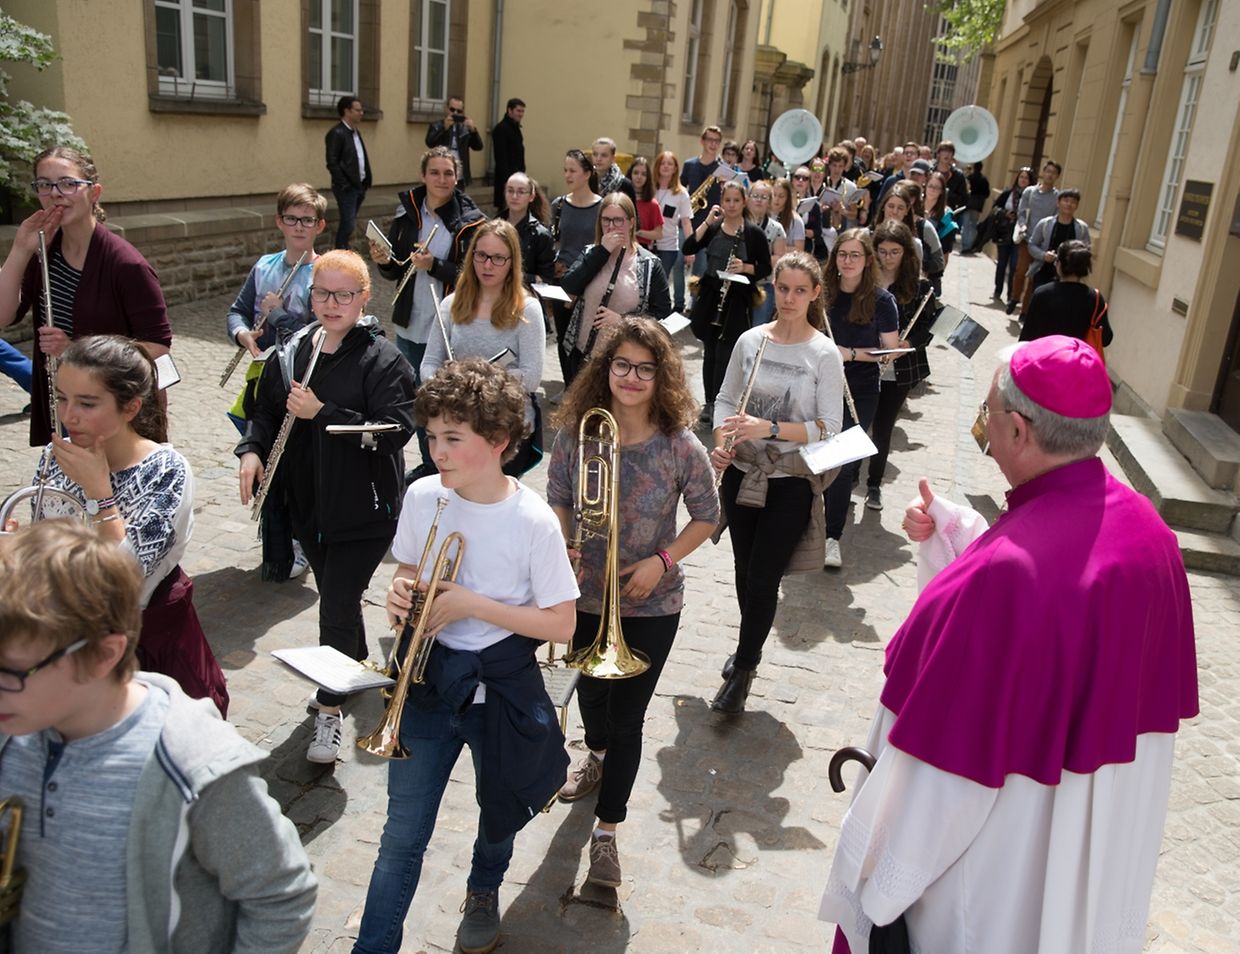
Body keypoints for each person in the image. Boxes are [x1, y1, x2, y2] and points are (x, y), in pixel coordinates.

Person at [819, 336, 1198, 953]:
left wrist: (873, 885)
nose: (984, 428)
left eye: (986, 414)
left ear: (1018, 430)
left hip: (996, 885)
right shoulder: (1153, 536)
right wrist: (965, 536)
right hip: (1095, 868)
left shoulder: (999, 580)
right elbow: (1056, 594)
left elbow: (939, 786)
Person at [0, 520, 318, 954]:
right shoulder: (17, 726)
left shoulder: (190, 761)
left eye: (12, 672)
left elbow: (282, 895)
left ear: (103, 654)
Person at [352, 358, 578, 954]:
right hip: (427, 683)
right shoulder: (424, 495)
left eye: (453, 438)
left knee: (498, 812)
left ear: (500, 441)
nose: (437, 452)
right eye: (431, 437)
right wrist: (401, 593)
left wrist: (475, 605)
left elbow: (562, 623)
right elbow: (408, 567)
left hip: (498, 692)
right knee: (401, 835)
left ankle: (483, 888)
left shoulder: (533, 520)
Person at [548, 318, 718, 888]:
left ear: (661, 376)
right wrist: (564, 543)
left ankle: (607, 831)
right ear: (606, 368)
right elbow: (558, 497)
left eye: (646, 368)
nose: (632, 377)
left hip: (652, 604)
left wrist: (662, 561)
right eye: (622, 364)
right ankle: (594, 753)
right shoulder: (580, 433)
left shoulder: (679, 444)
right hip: (585, 595)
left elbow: (708, 515)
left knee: (628, 719)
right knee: (591, 698)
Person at [237, 249, 416, 764]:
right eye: (322, 293)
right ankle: (353, 661)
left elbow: (395, 431)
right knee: (341, 600)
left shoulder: (383, 360)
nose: (331, 303)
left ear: (364, 298)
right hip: (307, 504)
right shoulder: (293, 350)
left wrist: (323, 412)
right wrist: (251, 451)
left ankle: (329, 707)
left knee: (335, 602)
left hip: (365, 511)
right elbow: (265, 412)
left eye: (344, 295)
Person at [9, 334, 230, 716]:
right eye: (61, 398)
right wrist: (19, 547)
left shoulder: (166, 471)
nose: (68, 416)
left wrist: (100, 493)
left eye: (87, 403)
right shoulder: (55, 456)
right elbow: (48, 547)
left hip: (142, 658)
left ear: (130, 407)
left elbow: (123, 581)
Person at [708, 251, 844, 714]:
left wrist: (768, 428)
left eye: (799, 290)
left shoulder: (823, 353)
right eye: (783, 288)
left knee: (764, 577)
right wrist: (723, 441)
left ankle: (744, 669)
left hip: (790, 479)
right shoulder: (751, 341)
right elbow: (725, 400)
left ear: (815, 294)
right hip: (743, 474)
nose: (789, 298)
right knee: (744, 571)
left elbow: (829, 426)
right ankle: (749, 646)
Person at [0, 145, 172, 448]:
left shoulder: (126, 264)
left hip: (116, 413)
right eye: (44, 184)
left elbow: (158, 345)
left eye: (67, 183)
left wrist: (76, 351)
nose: (55, 194)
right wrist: (21, 249)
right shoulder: (44, 252)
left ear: (94, 192)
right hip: (64, 405)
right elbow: (3, 316)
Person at [224, 184, 324, 582]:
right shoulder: (264, 266)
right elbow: (236, 312)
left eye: (307, 220)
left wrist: (279, 315)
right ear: (279, 222)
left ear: (319, 226)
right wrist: (242, 334)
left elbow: (319, 332)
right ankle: (277, 536)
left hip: (302, 381)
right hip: (263, 379)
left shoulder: (324, 272)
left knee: (296, 464)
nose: (299, 227)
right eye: (292, 219)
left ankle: (300, 540)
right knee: (264, 456)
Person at [369, 146, 485, 468]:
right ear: (423, 175)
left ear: (457, 177)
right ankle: (428, 463)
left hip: (448, 327)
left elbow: (475, 275)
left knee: (444, 402)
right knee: (415, 400)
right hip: (410, 323)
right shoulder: (407, 213)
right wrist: (384, 261)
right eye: (434, 172)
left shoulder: (471, 222)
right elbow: (396, 270)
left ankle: (445, 465)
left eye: (448, 173)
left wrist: (434, 265)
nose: (441, 179)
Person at [422, 220, 546, 475]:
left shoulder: (528, 309)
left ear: (512, 262)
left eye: (498, 258)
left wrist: (476, 382)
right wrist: (445, 383)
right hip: (457, 426)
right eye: (481, 255)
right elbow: (429, 363)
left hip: (504, 430)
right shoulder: (450, 305)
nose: (488, 265)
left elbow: (531, 377)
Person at [822, 229, 900, 569]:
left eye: (855, 255)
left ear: (868, 260)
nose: (848, 261)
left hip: (861, 389)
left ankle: (831, 536)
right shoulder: (821, 293)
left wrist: (849, 353)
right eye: (842, 254)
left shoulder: (882, 301)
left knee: (841, 465)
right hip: (820, 386)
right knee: (814, 457)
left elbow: (890, 351)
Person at [684, 180, 773, 422]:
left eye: (736, 200)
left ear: (744, 202)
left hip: (737, 298)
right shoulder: (714, 228)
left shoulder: (753, 233)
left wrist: (745, 267)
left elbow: (766, 267)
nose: (731, 205)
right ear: (721, 202)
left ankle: (723, 402)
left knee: (726, 353)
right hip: (712, 294)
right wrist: (707, 221)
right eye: (727, 200)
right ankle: (710, 402)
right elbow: (688, 247)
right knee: (710, 351)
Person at [561, 193, 671, 383]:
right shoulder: (591, 252)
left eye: (618, 220)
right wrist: (602, 251)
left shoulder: (649, 264)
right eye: (606, 220)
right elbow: (569, 285)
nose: (611, 226)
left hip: (625, 360)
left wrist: (622, 320)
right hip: (584, 354)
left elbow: (662, 312)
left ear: (631, 222)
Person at [863, 221, 935, 512]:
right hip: (863, 364)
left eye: (895, 252)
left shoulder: (920, 287)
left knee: (883, 428)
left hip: (898, 370)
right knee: (857, 424)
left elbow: (928, 328)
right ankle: (849, 476)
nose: (888, 257)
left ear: (906, 253)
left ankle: (874, 485)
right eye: (882, 251)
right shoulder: (864, 280)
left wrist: (908, 343)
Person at [1019, 240, 1113, 352]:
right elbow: (1106, 338)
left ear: (1059, 265)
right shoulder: (1094, 298)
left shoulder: (1042, 294)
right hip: (1077, 360)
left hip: (1045, 357)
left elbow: (1027, 337)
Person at [1012, 159, 1061, 314]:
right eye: (1048, 171)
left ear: (1057, 176)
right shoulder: (1030, 192)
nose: (1050, 175)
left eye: (1054, 173)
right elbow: (1021, 211)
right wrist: (1022, 225)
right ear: (1043, 172)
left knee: (1033, 277)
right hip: (1027, 239)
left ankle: (1025, 311)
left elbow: (1055, 219)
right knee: (1020, 271)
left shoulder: (1057, 197)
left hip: (1043, 243)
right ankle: (1014, 298)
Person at [324, 96, 373, 248]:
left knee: (349, 223)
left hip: (359, 185)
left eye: (362, 110)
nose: (361, 113)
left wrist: (366, 180)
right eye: (357, 110)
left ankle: (343, 251)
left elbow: (360, 157)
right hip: (346, 187)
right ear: (347, 111)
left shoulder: (355, 133)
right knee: (348, 224)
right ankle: (340, 252)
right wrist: (344, 184)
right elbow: (332, 162)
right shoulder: (337, 133)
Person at [1025, 187, 1090, 298]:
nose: (1069, 204)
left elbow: (1086, 251)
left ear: (1077, 206)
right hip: (1044, 271)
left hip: (1069, 276)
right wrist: (1043, 255)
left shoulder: (1081, 228)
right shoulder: (1045, 224)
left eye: (1073, 202)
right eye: (1066, 200)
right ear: (1058, 203)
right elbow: (1032, 244)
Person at [681, 125, 726, 277]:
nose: (713, 144)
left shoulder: (722, 170)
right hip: (688, 222)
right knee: (679, 269)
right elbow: (680, 189)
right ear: (702, 141)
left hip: (709, 226)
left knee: (700, 272)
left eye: (717, 141)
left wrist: (724, 185)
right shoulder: (689, 165)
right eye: (710, 140)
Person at [653, 150, 693, 313]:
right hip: (648, 243)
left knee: (659, 281)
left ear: (675, 168)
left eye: (670, 164)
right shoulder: (650, 189)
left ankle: (660, 313)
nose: (666, 166)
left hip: (668, 246)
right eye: (663, 163)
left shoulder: (681, 194)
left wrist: (691, 249)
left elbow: (686, 222)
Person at [501, 172, 556, 288]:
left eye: (521, 192)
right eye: (510, 191)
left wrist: (515, 277)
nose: (514, 196)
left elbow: (546, 279)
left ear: (531, 196)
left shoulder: (541, 235)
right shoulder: (494, 227)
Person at [991, 167, 1033, 307]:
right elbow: (995, 208)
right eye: (1021, 177)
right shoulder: (1008, 193)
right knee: (1002, 263)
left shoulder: (1032, 197)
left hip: (1020, 236)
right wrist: (1005, 213)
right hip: (1005, 233)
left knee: (1015, 266)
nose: (1023, 180)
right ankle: (998, 290)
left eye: (1026, 178)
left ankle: (1012, 295)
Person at [748, 179, 787, 326]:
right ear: (748, 199)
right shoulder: (738, 223)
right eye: (755, 196)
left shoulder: (777, 228)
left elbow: (779, 258)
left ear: (769, 202)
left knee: (758, 328)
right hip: (738, 284)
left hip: (764, 286)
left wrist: (752, 265)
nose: (759, 200)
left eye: (764, 197)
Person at [425, 95, 484, 186]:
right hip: (442, 170)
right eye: (452, 110)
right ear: (446, 109)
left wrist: (473, 131)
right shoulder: (437, 125)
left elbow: (478, 147)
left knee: (458, 194)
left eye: (459, 111)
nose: (455, 113)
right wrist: (443, 128)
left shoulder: (464, 128)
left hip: (459, 173)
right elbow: (430, 142)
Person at [490, 97, 526, 214]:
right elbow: (501, 157)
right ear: (510, 111)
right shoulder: (501, 129)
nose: (521, 114)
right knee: (505, 210)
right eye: (518, 111)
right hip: (506, 178)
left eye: (522, 111)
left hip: (517, 175)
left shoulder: (515, 128)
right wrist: (507, 180)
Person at [626, 156, 665, 251]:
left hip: (642, 249)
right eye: (636, 173)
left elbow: (659, 234)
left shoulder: (653, 204)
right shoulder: (621, 198)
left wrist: (638, 233)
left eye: (643, 174)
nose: (639, 177)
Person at [591, 137, 638, 205]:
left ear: (613, 158)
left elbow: (631, 210)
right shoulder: (585, 180)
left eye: (604, 155)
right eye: (595, 154)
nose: (598, 159)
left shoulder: (624, 184)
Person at [771, 177, 807, 252]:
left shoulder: (796, 221)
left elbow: (799, 249)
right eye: (774, 195)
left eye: (781, 196)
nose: (776, 199)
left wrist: (776, 247)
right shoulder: (764, 214)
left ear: (787, 198)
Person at [961, 160, 990, 253]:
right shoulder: (984, 180)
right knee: (973, 225)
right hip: (978, 205)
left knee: (966, 224)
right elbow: (987, 193)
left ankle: (965, 245)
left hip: (968, 203)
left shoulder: (970, 178)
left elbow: (964, 190)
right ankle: (970, 245)